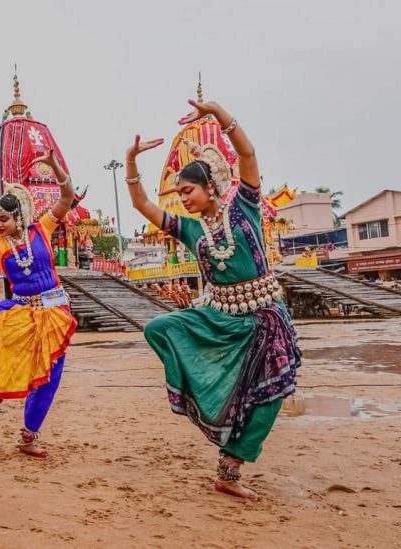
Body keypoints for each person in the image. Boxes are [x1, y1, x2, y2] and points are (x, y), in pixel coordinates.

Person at [125, 99, 301, 501]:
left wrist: (219, 114)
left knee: (271, 393)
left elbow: (247, 153)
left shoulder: (245, 207)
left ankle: (230, 470)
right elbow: (141, 204)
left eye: (188, 190)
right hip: (221, 316)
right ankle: (199, 397)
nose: (183, 198)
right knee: (160, 328)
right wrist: (131, 162)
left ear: (209, 187)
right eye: (180, 192)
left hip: (266, 319)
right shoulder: (190, 230)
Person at [0, 149, 78, 458]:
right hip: (21, 312)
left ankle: (29, 436)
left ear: (18, 217)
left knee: (50, 377)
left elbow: (67, 198)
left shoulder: (42, 228)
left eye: (3, 219)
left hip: (55, 313)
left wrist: (55, 165)